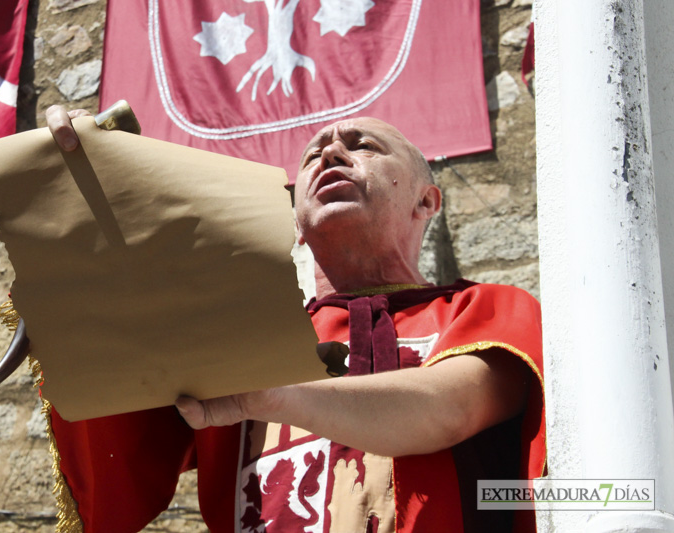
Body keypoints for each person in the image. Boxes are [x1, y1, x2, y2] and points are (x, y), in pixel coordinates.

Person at [43, 106, 545, 533]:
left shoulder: (485, 308)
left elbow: (451, 408)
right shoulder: (231, 344)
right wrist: (82, 226)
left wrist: (271, 396)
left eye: (363, 145)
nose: (330, 154)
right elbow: (110, 468)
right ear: (297, 227)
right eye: (313, 156)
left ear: (426, 200)